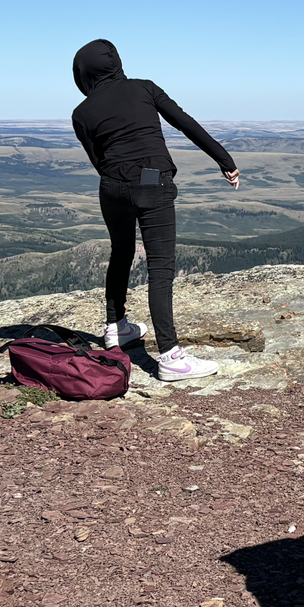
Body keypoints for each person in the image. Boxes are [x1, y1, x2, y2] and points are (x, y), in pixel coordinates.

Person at [69, 39, 237, 382]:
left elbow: (98, 160)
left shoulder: (81, 113)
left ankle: (116, 328)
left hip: (111, 188)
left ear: (83, 73)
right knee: (160, 268)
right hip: (152, 183)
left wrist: (122, 179)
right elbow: (185, 123)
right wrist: (225, 160)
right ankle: (171, 356)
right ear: (115, 62)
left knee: (121, 253)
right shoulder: (144, 88)